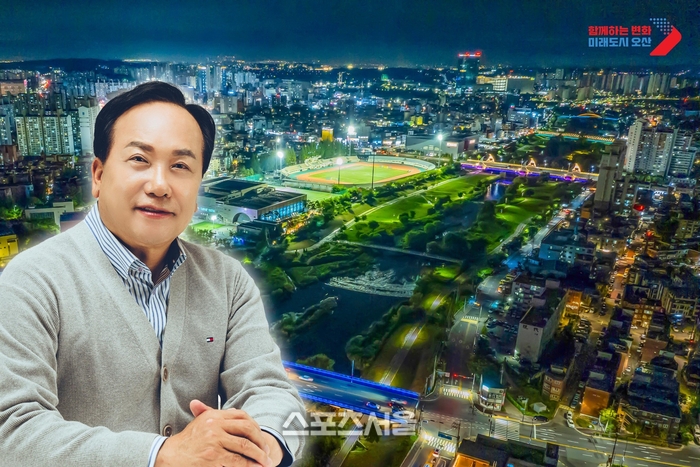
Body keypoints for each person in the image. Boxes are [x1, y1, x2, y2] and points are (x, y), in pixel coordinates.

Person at [0, 82, 306, 467]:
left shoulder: (228, 282)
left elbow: (277, 396)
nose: (160, 186)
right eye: (139, 159)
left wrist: (262, 445)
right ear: (98, 175)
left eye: (180, 166)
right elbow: (11, 432)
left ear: (197, 187)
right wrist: (161, 454)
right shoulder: (33, 282)